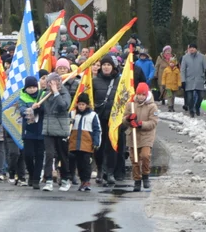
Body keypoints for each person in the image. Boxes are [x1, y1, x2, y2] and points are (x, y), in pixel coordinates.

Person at [90, 55, 121, 185]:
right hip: (98, 118)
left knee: (112, 146)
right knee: (99, 146)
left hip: (114, 119)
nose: (106, 67)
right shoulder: (95, 81)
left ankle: (110, 172)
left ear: (113, 66)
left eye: (108, 65)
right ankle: (100, 170)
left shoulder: (119, 81)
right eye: (104, 65)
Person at [122, 83, 158, 191]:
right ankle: (137, 180)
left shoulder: (152, 106)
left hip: (146, 135)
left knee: (145, 155)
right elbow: (124, 119)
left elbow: (153, 122)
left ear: (146, 94)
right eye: (138, 94)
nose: (140, 97)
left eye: (143, 94)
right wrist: (128, 119)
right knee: (135, 159)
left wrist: (140, 124)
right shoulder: (131, 105)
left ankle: (146, 175)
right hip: (133, 135)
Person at [41, 71, 73, 191]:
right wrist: (34, 108)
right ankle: (48, 179)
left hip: (60, 129)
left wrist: (56, 93)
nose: (51, 85)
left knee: (62, 155)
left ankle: (65, 179)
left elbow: (64, 106)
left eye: (53, 82)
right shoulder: (45, 94)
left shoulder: (64, 93)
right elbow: (41, 109)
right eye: (49, 82)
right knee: (49, 154)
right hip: (48, 129)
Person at [16, 76, 46, 190]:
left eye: (34, 87)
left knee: (39, 155)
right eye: (29, 87)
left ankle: (36, 179)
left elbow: (45, 109)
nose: (32, 89)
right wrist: (31, 109)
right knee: (28, 155)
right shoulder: (22, 97)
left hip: (41, 130)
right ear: (26, 88)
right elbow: (23, 111)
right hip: (28, 130)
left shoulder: (42, 95)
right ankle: (32, 173)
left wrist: (39, 108)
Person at [68, 93, 101, 192]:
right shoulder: (73, 114)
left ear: (87, 105)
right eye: (79, 104)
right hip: (75, 143)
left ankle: (86, 180)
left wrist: (96, 142)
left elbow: (97, 129)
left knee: (86, 162)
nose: (81, 107)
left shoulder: (93, 115)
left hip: (87, 143)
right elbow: (67, 127)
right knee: (79, 163)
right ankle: (82, 180)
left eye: (83, 104)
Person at [180, 44, 206, 117]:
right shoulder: (185, 57)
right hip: (189, 80)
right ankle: (191, 110)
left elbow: (205, 69)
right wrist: (183, 80)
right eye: (190, 48)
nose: (191, 49)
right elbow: (182, 70)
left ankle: (197, 107)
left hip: (199, 79)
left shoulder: (202, 57)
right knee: (190, 97)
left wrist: (204, 77)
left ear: (196, 49)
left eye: (193, 48)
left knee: (201, 96)